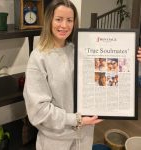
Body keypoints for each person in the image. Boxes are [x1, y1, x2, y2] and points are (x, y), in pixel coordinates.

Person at [23, 0, 103, 150]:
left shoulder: (79, 51)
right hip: (56, 141)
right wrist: (76, 119)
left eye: (69, 20)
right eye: (58, 19)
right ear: (49, 21)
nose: (64, 25)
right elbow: (38, 110)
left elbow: (101, 77)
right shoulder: (39, 57)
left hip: (84, 137)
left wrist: (133, 58)